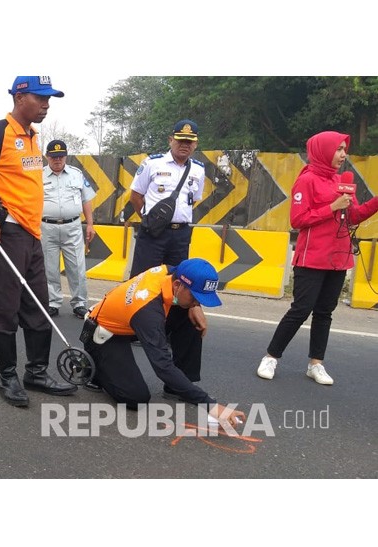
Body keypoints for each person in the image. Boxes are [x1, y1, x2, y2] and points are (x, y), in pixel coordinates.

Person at [0, 76, 77, 407]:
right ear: (21, 98)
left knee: (38, 306)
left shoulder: (33, 137)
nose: (47, 104)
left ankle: (36, 372)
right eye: (41, 98)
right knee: (3, 308)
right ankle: (8, 377)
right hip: (6, 233)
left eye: (50, 99)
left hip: (33, 235)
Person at [256, 131, 378, 385]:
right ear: (323, 150)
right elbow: (298, 220)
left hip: (339, 257)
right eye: (339, 149)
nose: (344, 154)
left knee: (325, 312)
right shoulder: (307, 180)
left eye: (345, 149)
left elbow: (353, 217)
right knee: (300, 309)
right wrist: (332, 207)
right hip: (311, 257)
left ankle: (316, 364)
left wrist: (375, 202)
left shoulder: (344, 181)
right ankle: (271, 356)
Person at [82, 259, 245, 427]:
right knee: (136, 398)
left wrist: (194, 307)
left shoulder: (169, 271)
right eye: (196, 297)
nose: (198, 302)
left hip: (131, 321)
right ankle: (95, 368)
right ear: (177, 285)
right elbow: (162, 366)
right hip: (104, 333)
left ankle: (180, 386)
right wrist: (210, 405)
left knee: (191, 316)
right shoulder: (148, 313)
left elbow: (181, 272)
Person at [129, 119, 205, 277]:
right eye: (180, 140)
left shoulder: (198, 169)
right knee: (143, 279)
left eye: (189, 141)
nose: (185, 144)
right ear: (171, 140)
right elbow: (135, 196)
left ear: (195, 144)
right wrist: (149, 219)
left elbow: (194, 199)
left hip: (181, 236)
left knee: (175, 282)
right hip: (153, 233)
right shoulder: (152, 163)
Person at [41, 139, 96, 318]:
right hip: (46, 227)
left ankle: (79, 303)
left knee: (77, 267)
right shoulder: (38, 176)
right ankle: (52, 302)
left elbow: (86, 199)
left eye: (61, 156)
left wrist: (90, 224)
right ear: (47, 157)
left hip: (72, 226)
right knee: (49, 267)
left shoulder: (76, 174)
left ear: (66, 156)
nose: (57, 160)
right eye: (53, 157)